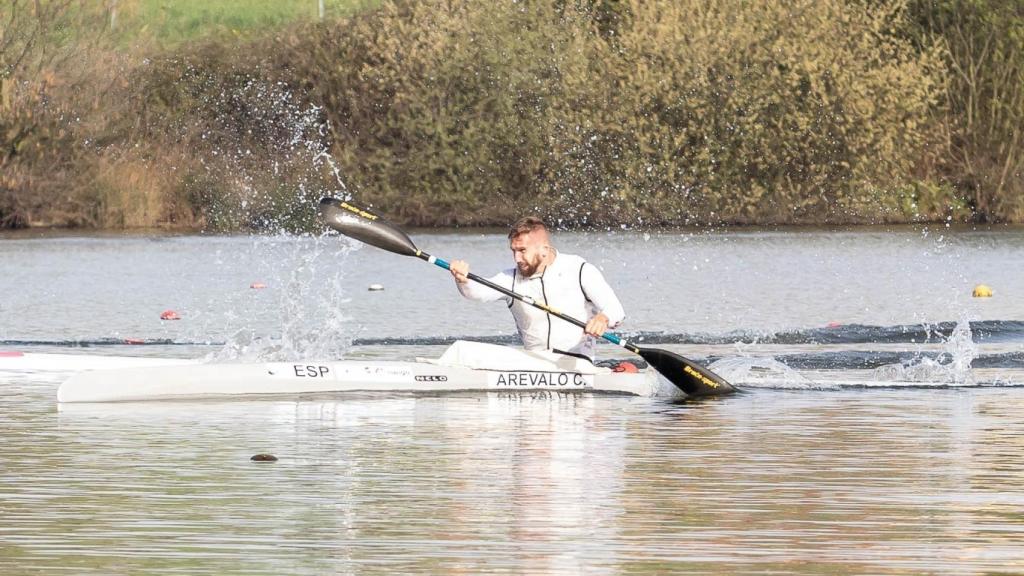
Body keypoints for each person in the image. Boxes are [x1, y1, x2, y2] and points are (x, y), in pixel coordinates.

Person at [448, 216, 625, 361]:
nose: (517, 258)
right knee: (462, 350)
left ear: (544, 249)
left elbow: (616, 310)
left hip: (576, 363)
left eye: (522, 250)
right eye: (513, 251)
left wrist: (603, 318)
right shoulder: (510, 279)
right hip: (533, 362)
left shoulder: (579, 269)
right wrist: (463, 279)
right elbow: (476, 293)